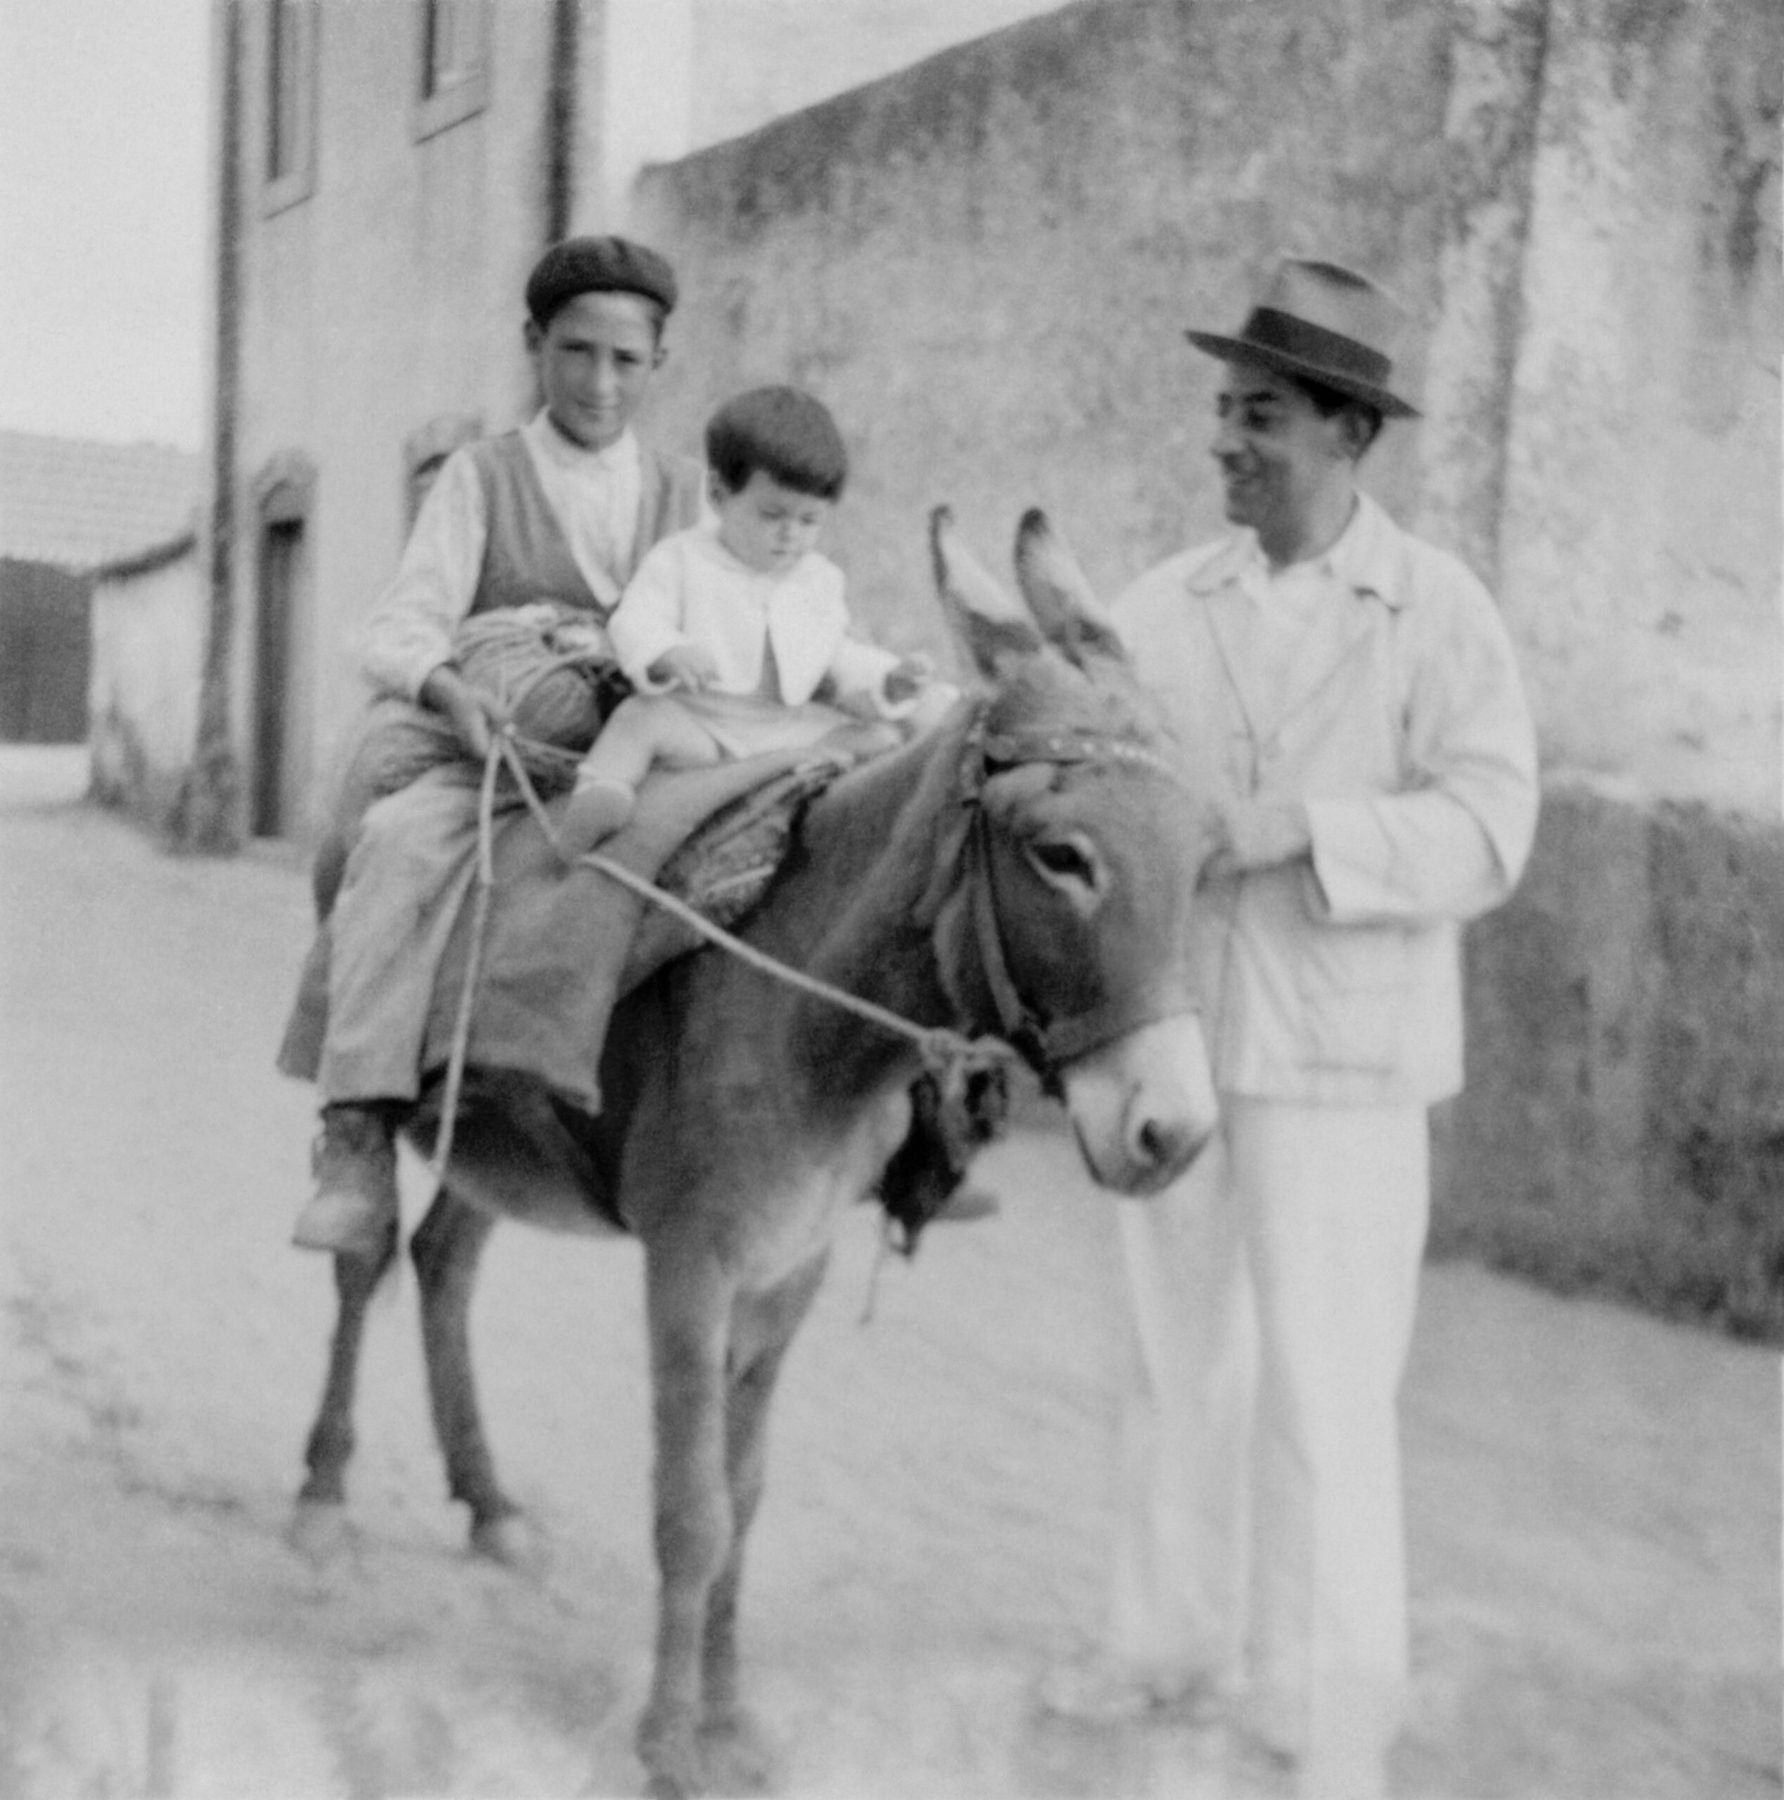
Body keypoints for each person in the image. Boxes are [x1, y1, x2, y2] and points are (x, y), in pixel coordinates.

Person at [1034, 258, 1540, 1800]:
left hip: (1344, 1059)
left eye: (1259, 417)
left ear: (1346, 434)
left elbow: (1492, 827)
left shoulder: (1435, 610)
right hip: (1179, 1043)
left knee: (1326, 1381)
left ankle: (1326, 1706)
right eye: (1223, 413)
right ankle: (1163, 1641)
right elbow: (1077, 740)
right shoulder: (1161, 608)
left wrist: (1305, 833)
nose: (1227, 443)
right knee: (1169, 1359)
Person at [286, 234, 708, 1257]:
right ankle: (359, 1130)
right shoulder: (481, 477)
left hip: (647, 744)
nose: (599, 382)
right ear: (533, 345)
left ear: (659, 363)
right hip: (502, 742)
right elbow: (399, 623)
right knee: (393, 846)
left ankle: (897, 1113)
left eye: (624, 359)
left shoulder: (687, 492)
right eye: (575, 352)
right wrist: (448, 689)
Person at [557, 384, 940, 858]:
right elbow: (637, 618)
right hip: (706, 727)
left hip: (787, 727)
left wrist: (889, 681)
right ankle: (601, 797)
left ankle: (837, 814)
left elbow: (837, 656)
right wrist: (664, 651)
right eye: (772, 515)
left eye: (809, 521)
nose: (790, 536)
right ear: (719, 494)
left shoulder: (818, 579)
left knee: (882, 738)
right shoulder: (681, 559)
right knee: (639, 720)